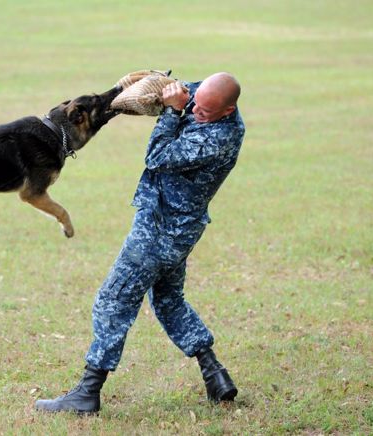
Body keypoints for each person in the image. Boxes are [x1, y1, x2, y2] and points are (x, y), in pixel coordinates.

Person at [35, 72, 246, 414]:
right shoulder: (203, 99)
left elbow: (157, 156)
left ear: (228, 110)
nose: (195, 111)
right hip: (182, 232)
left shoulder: (220, 138)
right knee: (168, 300)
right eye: (194, 104)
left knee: (113, 300)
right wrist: (157, 85)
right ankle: (215, 374)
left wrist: (172, 112)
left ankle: (87, 393)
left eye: (203, 113)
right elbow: (178, 88)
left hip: (160, 229)